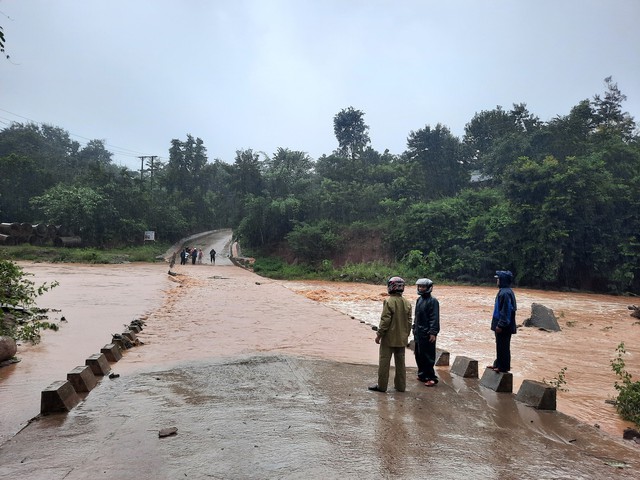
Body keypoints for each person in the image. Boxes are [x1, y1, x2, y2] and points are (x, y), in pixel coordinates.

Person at [369, 276, 412, 393]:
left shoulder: (388, 302)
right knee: (400, 364)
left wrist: (379, 335)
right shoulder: (407, 303)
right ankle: (400, 386)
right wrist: (405, 336)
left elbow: (385, 321)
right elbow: (409, 322)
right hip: (401, 339)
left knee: (384, 362)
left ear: (390, 287)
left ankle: (382, 386)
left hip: (388, 338)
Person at [413, 278, 440, 386]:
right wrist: (414, 328)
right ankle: (422, 374)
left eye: (423, 287)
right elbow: (416, 316)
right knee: (419, 355)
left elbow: (434, 318)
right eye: (419, 286)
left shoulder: (433, 301)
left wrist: (433, 332)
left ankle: (431, 377)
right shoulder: (419, 300)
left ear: (429, 288)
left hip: (427, 333)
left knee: (428, 356)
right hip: (418, 332)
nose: (421, 288)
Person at [490, 270, 517, 373]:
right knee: (500, 345)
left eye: (498, 279)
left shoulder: (505, 293)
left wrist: (501, 325)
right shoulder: (504, 291)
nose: (497, 281)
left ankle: (503, 367)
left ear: (503, 280)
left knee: (504, 346)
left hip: (504, 326)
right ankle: (498, 364)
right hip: (502, 324)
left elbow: (506, 311)